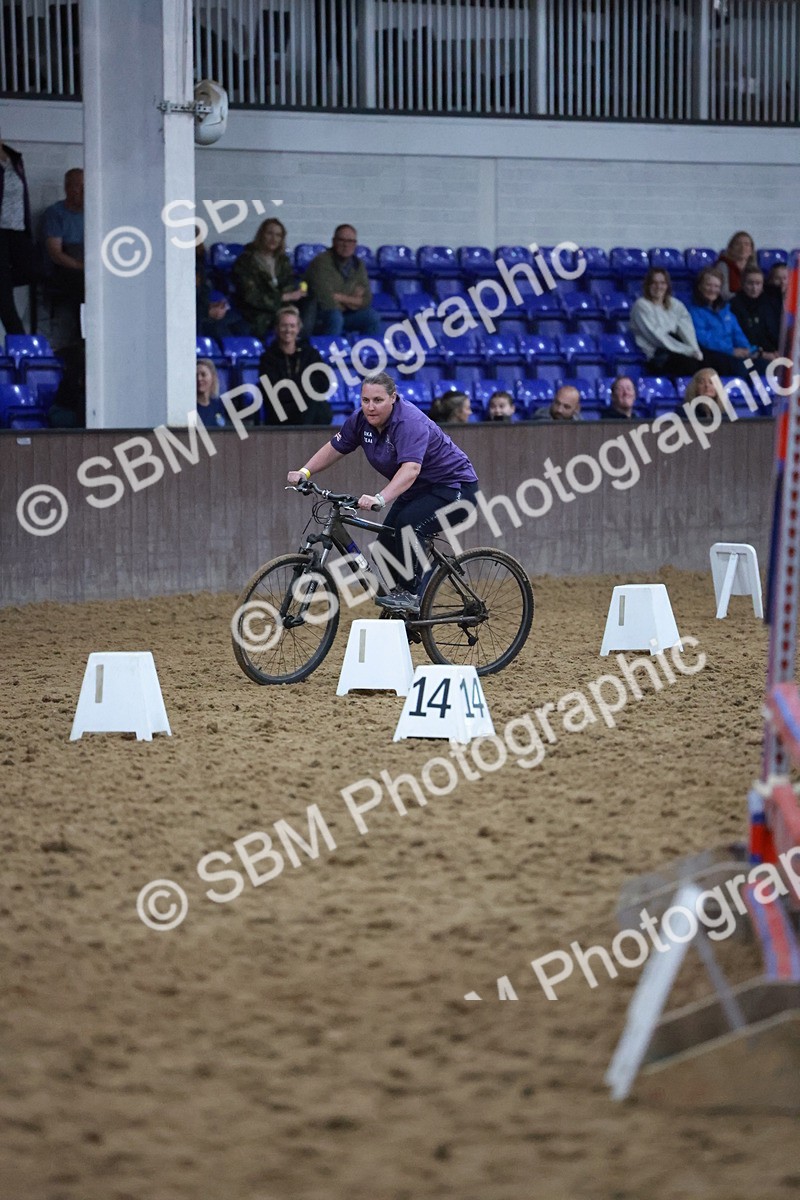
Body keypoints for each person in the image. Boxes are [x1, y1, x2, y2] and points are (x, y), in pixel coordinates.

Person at [286, 371, 479, 613]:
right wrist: (305, 472)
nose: (370, 407)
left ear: (393, 399)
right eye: (365, 400)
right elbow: (336, 447)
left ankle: (412, 595)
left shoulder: (409, 422)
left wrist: (380, 498)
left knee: (409, 527)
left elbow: (411, 469)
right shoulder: (361, 420)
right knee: (384, 548)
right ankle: (407, 609)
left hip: (455, 488)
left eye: (378, 400)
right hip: (418, 491)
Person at [687, 266, 769, 379]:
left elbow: (737, 333)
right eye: (708, 285)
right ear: (700, 286)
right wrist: (731, 350)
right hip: (712, 356)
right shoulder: (693, 311)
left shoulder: (725, 309)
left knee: (764, 366)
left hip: (733, 355)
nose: (712, 289)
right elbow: (704, 339)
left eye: (716, 286)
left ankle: (759, 395)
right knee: (742, 368)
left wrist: (747, 350)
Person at [258, 305, 333, 426]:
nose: (288, 330)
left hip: (309, 408)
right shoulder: (268, 358)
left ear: (298, 329)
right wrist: (306, 385)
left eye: (292, 326)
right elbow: (273, 392)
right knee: (312, 402)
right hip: (281, 411)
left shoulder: (310, 353)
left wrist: (294, 386)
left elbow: (324, 384)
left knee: (319, 406)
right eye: (284, 326)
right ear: (277, 328)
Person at [231, 218, 304, 340]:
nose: (273, 238)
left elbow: (289, 284)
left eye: (278, 235)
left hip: (281, 309)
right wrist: (283, 297)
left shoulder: (283, 261)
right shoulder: (246, 260)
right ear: (261, 235)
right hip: (255, 311)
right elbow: (251, 296)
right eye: (269, 233)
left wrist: (288, 302)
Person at [304, 224, 381, 337]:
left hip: (345, 314)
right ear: (334, 241)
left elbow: (366, 300)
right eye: (342, 240)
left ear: (355, 244)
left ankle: (366, 353)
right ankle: (330, 353)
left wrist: (339, 297)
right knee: (335, 317)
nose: (346, 245)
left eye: (350, 241)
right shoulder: (320, 263)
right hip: (320, 315)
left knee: (372, 317)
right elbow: (327, 300)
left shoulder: (358, 265)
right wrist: (353, 300)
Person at [629, 267, 703, 377]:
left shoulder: (675, 304)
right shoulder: (641, 305)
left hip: (677, 348)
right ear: (648, 285)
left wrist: (695, 350)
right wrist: (687, 351)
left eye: (662, 283)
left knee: (711, 361)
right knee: (689, 364)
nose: (659, 287)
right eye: (654, 283)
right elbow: (656, 336)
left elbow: (687, 329)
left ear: (667, 285)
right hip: (657, 354)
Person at [41, 167, 84, 335]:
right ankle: (80, 338)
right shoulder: (55, 213)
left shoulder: (95, 213)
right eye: (78, 186)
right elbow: (55, 254)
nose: (83, 191)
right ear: (67, 188)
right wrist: (82, 267)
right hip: (67, 268)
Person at [0, 133, 33, 335]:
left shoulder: (14, 158)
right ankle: (20, 342)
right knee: (4, 294)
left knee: (27, 271)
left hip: (18, 229)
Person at [730, 266, 780, 361]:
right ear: (742, 283)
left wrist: (777, 351)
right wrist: (761, 354)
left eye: (758, 283)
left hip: (773, 354)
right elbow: (739, 338)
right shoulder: (734, 305)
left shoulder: (769, 304)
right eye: (750, 283)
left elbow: (774, 332)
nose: (754, 288)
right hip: (748, 355)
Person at [715, 231, 757, 302]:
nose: (742, 248)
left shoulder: (754, 267)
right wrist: (745, 298)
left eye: (746, 244)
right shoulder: (723, 265)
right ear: (730, 249)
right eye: (738, 244)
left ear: (751, 250)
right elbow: (723, 294)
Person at [195, 358, 229, 428]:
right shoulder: (190, 407)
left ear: (213, 377)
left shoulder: (219, 405)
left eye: (203, 375)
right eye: (196, 375)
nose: (199, 379)